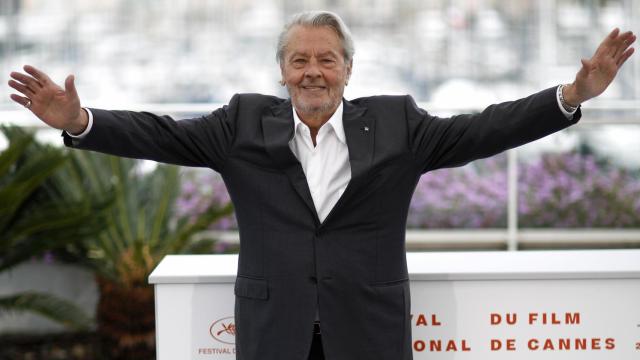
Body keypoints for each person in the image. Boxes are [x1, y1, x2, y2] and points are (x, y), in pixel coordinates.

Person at [7, 10, 635, 360]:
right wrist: (80, 122)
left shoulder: (397, 125)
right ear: (282, 71)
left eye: (325, 59)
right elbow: (159, 133)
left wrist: (569, 97)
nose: (313, 71)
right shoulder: (241, 124)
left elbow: (481, 131)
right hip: (273, 330)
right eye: (300, 60)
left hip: (368, 331)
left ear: (347, 70)